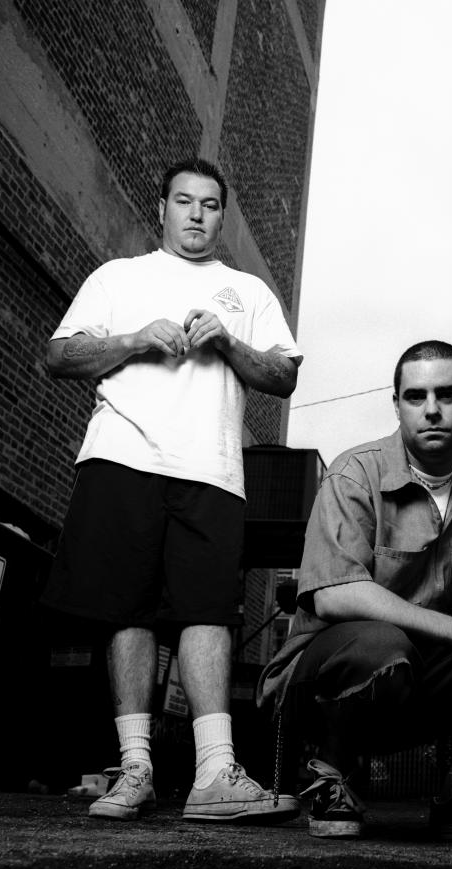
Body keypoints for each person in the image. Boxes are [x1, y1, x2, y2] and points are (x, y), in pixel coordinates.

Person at [41, 157, 304, 822]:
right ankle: (134, 768)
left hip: (211, 469)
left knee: (207, 610)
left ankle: (215, 772)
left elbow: (281, 375)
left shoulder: (248, 293)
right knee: (125, 608)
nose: (195, 214)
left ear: (222, 214)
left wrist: (229, 346)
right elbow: (58, 355)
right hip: (121, 459)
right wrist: (132, 340)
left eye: (209, 204)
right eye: (183, 201)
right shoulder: (118, 278)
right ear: (161, 207)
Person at [258, 341, 452, 843]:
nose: (431, 409)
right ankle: (330, 773)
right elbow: (336, 595)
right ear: (397, 404)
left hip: (426, 674)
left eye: (447, 394)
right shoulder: (354, 473)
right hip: (327, 681)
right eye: (416, 396)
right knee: (383, 644)